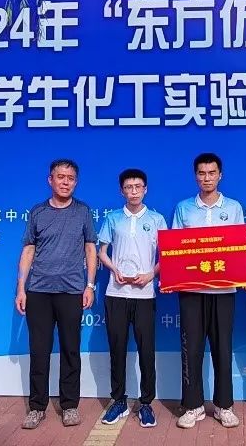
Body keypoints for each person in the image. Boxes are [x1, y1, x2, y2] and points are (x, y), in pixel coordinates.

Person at [15, 159, 98, 430]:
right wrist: (21, 287)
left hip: (71, 291)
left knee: (71, 350)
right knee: (39, 351)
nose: (65, 182)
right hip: (39, 291)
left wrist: (90, 285)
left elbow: (90, 249)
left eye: (70, 178)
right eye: (60, 177)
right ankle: (37, 407)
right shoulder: (38, 212)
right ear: (50, 180)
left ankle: (69, 405)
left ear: (76, 182)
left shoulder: (83, 211)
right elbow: (28, 250)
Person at [171, 152, 245, 429]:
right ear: (195, 176)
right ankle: (193, 406)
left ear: (220, 175)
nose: (207, 178)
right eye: (202, 173)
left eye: (212, 173)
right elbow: (176, 249)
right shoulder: (183, 208)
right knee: (191, 349)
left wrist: (240, 275)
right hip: (191, 291)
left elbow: (239, 247)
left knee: (222, 349)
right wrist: (174, 278)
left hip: (223, 292)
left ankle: (224, 405)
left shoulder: (234, 208)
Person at [97, 169, 167, 428]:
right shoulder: (113, 218)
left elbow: (167, 255)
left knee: (146, 351)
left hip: (145, 295)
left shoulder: (157, 219)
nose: (134, 191)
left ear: (145, 189)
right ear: (122, 191)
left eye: (138, 187)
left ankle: (146, 403)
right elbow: (101, 251)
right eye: (129, 187)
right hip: (116, 293)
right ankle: (119, 401)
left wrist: (150, 275)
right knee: (117, 349)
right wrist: (113, 269)